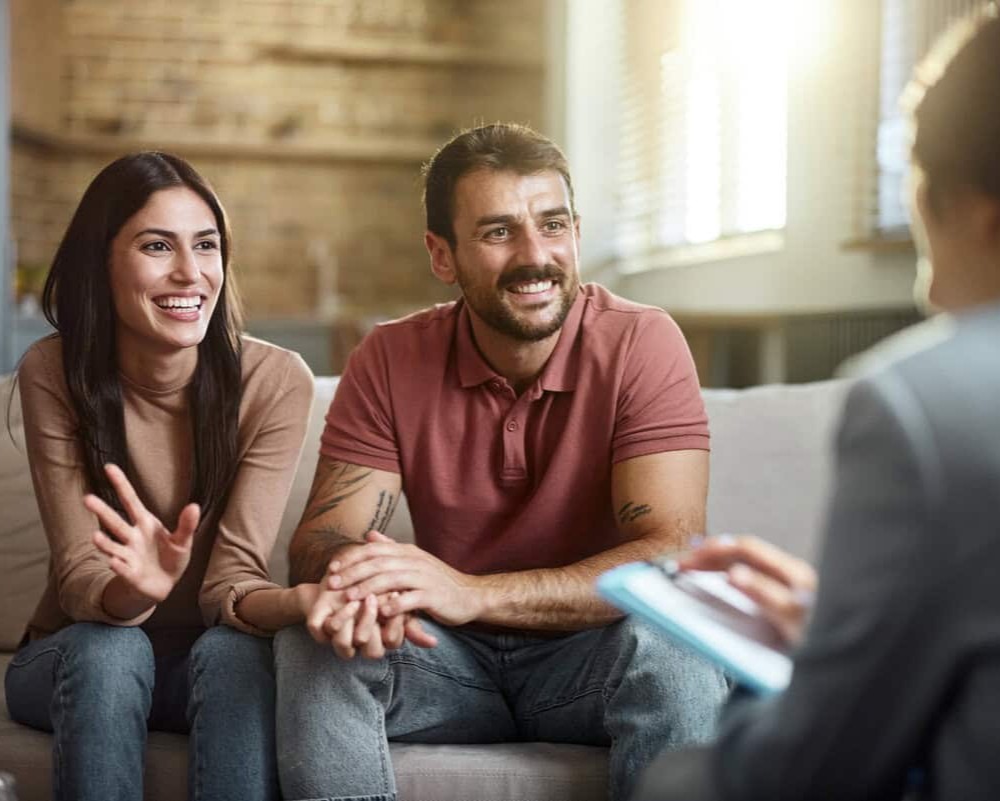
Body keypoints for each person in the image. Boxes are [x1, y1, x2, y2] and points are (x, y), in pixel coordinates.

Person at [632, 2, 1000, 800]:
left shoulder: (923, 402)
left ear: (978, 205)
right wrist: (847, 620)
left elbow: (804, 772)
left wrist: (800, 671)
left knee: (681, 778)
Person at [274, 123, 728, 801]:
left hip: (592, 654)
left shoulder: (641, 340)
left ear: (575, 231)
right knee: (313, 641)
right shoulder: (390, 357)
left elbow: (666, 552)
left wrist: (470, 590)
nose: (534, 255)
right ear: (441, 255)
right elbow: (319, 538)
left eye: (551, 225)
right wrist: (365, 582)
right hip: (445, 662)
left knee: (681, 650)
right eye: (496, 232)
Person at [5, 152, 320, 801]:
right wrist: (133, 590)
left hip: (204, 661)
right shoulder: (53, 371)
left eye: (206, 246)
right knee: (112, 649)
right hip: (75, 654)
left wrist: (304, 604)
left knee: (238, 656)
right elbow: (77, 578)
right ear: (102, 261)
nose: (190, 272)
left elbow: (232, 579)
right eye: (156, 245)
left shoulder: (274, 380)